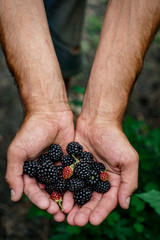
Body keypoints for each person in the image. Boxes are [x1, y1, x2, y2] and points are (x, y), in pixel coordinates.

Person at [0, 0, 160, 227]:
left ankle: (59, 93)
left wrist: (104, 115)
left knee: (64, 28)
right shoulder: (75, 165)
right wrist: (43, 107)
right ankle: (55, 100)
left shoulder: (78, 167)